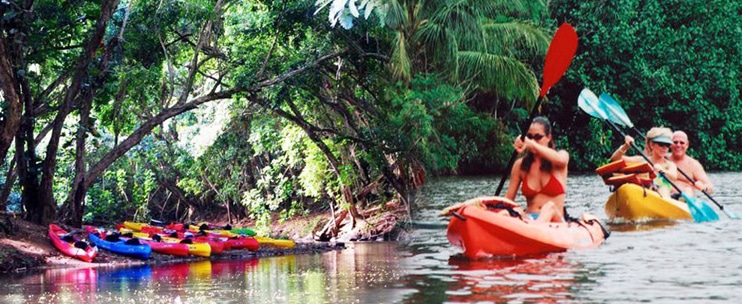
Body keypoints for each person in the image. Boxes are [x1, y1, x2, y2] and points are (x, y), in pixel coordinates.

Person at [504, 116, 568, 223]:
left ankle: (534, 229)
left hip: (555, 221)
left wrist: (531, 144)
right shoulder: (520, 165)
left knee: (549, 207)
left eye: (538, 137)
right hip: (530, 218)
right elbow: (508, 200)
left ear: (548, 137)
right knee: (510, 210)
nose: (533, 140)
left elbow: (561, 160)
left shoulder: (561, 157)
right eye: (529, 136)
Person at [610, 127, 678, 198]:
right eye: (661, 144)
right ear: (652, 145)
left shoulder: (670, 165)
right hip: (642, 193)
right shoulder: (641, 160)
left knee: (663, 189)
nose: (664, 148)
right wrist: (625, 146)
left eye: (667, 145)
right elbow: (615, 159)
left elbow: (674, 176)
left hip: (661, 196)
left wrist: (662, 170)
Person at [670, 130, 714, 197]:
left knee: (687, 191)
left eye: (682, 143)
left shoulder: (694, 165)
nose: (678, 145)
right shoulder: (663, 158)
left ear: (687, 145)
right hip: (665, 198)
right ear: (670, 144)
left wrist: (704, 187)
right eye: (675, 142)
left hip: (684, 200)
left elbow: (710, 188)